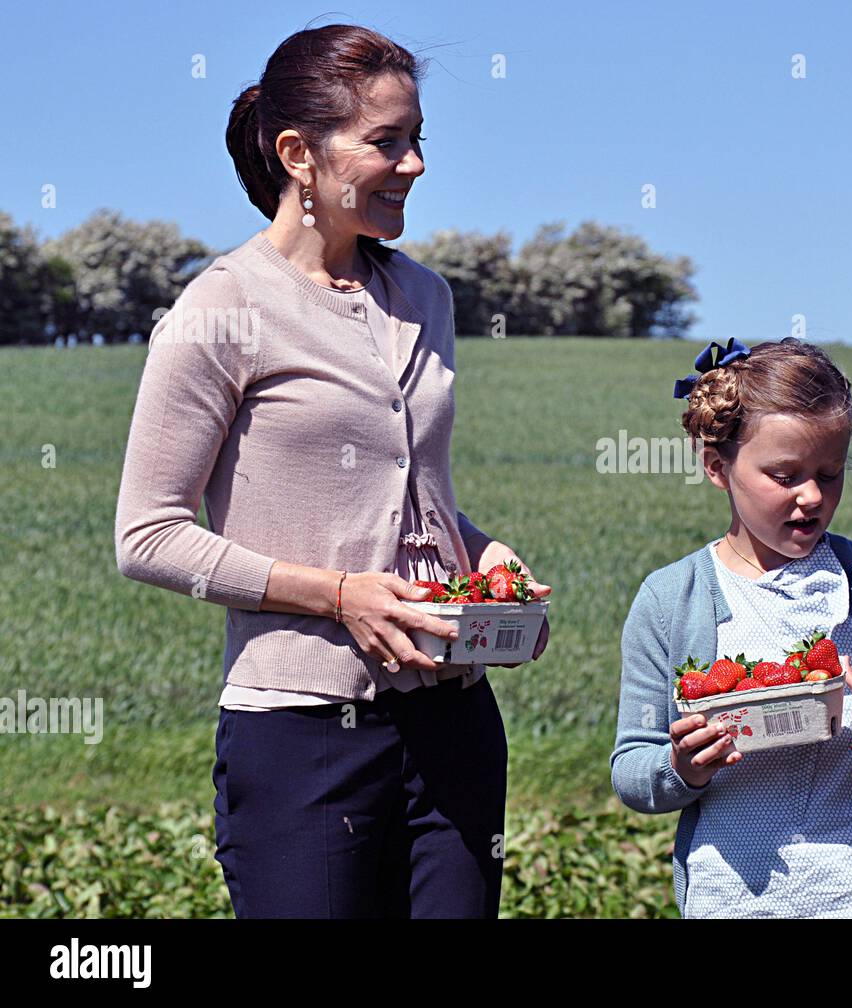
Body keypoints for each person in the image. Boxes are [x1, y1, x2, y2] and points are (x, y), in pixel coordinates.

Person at [114, 24, 549, 918]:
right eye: (387, 141)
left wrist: (488, 558)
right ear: (297, 155)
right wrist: (339, 594)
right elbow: (147, 536)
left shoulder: (425, 296)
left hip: (453, 725)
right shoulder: (222, 307)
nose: (416, 164)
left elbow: (415, 500)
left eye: (419, 138)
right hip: (302, 738)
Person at [610, 337, 852, 918]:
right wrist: (679, 768)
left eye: (829, 474)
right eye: (785, 476)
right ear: (717, 467)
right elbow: (633, 768)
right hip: (731, 902)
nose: (812, 496)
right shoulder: (669, 599)